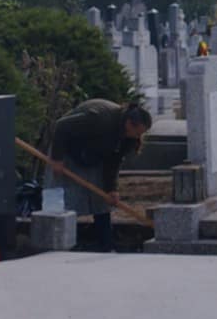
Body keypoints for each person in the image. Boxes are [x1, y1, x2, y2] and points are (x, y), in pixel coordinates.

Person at [47, 96, 153, 252]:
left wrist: (111, 189)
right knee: (66, 199)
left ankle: (105, 244)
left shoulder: (127, 138)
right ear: (129, 123)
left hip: (94, 155)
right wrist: (57, 159)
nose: (138, 137)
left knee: (101, 201)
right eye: (137, 132)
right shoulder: (98, 118)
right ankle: (61, 243)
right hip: (67, 150)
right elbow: (62, 126)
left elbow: (114, 161)